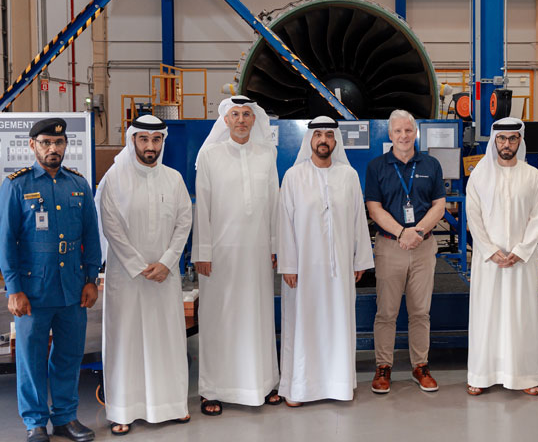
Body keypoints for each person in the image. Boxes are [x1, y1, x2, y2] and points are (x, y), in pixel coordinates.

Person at [0, 118, 101, 442]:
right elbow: (6, 241)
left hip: (72, 288)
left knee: (68, 356)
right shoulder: (17, 185)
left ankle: (65, 418)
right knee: (31, 359)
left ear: (66, 145)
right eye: (45, 142)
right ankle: (34, 422)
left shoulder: (78, 184)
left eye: (58, 142)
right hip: (34, 291)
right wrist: (13, 289)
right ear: (33, 145)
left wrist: (91, 278)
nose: (53, 148)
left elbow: (91, 235)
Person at [97, 115, 193, 434]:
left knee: (166, 340)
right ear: (133, 140)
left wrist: (167, 261)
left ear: (162, 141)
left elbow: (184, 222)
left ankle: (172, 405)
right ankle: (123, 410)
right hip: (127, 279)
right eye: (144, 139)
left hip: (165, 277)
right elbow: (110, 226)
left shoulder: (173, 179)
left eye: (156, 140)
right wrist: (139, 265)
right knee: (126, 342)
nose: (150, 146)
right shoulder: (114, 179)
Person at [193, 96, 282, 415]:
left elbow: (274, 203)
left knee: (257, 315)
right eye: (235, 114)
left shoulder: (266, 154)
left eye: (246, 114)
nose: (242, 120)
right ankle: (213, 389)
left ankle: (263, 383)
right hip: (220, 254)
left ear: (254, 120)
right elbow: (202, 206)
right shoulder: (210, 155)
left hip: (257, 252)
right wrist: (202, 251)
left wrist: (275, 246)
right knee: (219, 318)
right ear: (226, 120)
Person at [277, 116, 374, 407]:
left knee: (338, 323)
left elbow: (358, 220)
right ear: (310, 140)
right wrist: (289, 264)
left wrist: (360, 260)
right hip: (304, 269)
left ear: (335, 141)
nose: (323, 140)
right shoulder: (293, 177)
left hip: (339, 268)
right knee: (304, 324)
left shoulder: (349, 176)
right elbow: (284, 223)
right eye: (318, 134)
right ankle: (300, 388)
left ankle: (338, 384)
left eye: (329, 135)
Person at [365, 109, 446, 393]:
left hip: (423, 247)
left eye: (408, 130)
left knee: (420, 311)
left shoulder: (431, 164)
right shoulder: (376, 166)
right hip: (390, 246)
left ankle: (420, 366)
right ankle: (383, 367)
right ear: (390, 135)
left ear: (416, 133)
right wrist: (402, 233)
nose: (403, 136)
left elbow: (439, 205)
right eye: (398, 131)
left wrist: (418, 232)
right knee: (386, 312)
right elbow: (374, 208)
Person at [465, 118, 538, 396]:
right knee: (487, 316)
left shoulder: (532, 176)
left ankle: (524, 375)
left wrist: (520, 251)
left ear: (520, 141)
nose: (507, 144)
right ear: (494, 141)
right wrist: (490, 250)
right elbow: (473, 217)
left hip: (522, 261)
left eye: (512, 138)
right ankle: (481, 374)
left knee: (521, 317)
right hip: (489, 262)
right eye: (502, 138)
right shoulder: (479, 176)